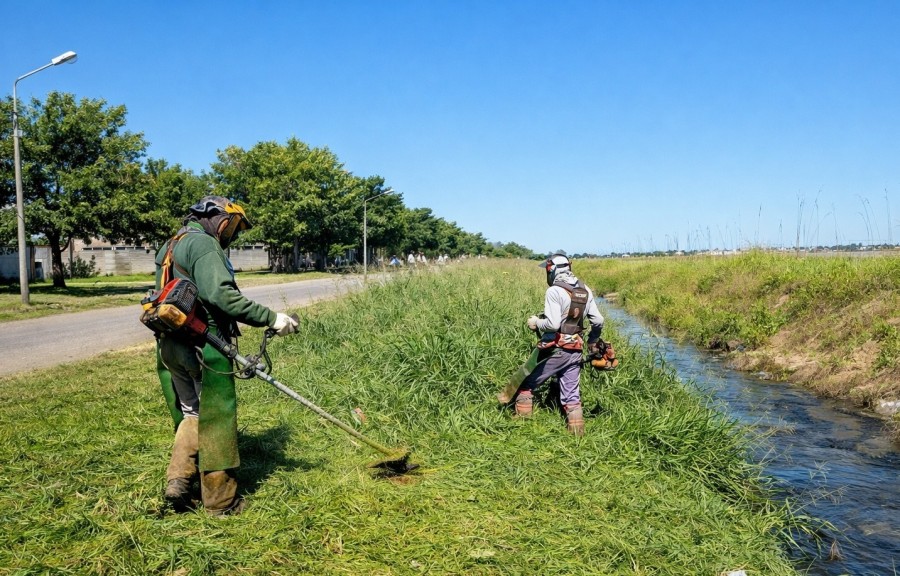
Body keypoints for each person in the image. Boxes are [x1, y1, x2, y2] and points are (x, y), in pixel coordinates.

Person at [153, 195, 298, 515]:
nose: (231, 233)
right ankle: (221, 502)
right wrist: (273, 319)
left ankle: (179, 479)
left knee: (193, 414)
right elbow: (221, 295)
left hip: (170, 346)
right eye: (232, 224)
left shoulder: (171, 245)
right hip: (204, 348)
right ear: (216, 217)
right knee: (215, 421)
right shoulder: (203, 245)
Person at [514, 254, 603, 435]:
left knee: (527, 383)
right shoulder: (585, 289)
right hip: (575, 350)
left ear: (551, 270)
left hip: (554, 349)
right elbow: (599, 320)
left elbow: (553, 325)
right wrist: (593, 340)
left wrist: (536, 323)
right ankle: (577, 435)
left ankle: (522, 429)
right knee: (572, 396)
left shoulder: (554, 291)